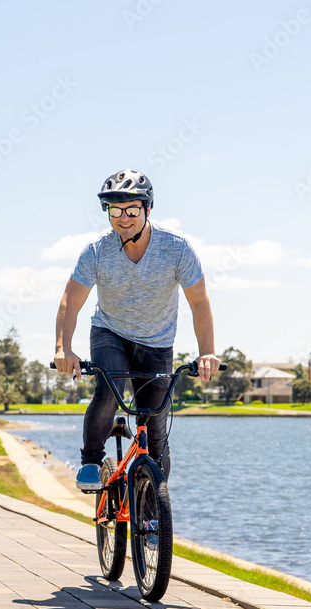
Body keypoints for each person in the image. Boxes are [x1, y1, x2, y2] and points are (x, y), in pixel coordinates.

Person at [53, 169, 221, 491]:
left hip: (157, 343)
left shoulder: (175, 248)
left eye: (132, 210)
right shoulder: (96, 251)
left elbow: (199, 302)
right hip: (110, 332)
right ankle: (91, 459)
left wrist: (207, 352)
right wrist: (64, 347)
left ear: (147, 208)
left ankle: (152, 507)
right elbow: (70, 301)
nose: (123, 218)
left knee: (156, 427)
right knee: (108, 388)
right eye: (115, 211)